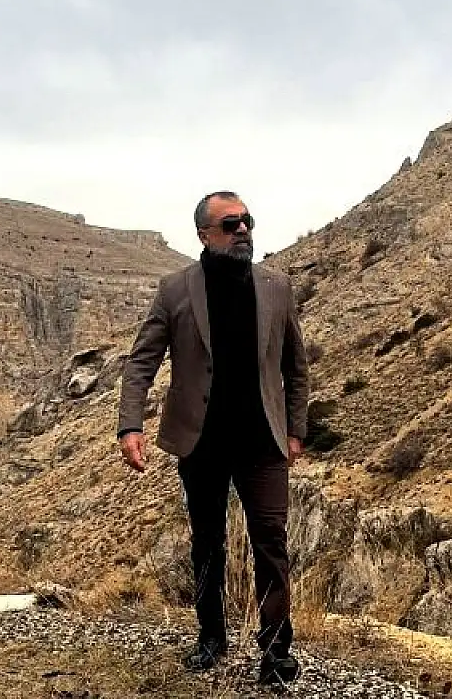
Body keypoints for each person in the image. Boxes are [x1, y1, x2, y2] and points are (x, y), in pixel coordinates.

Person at [116, 190, 309, 685]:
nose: (242, 230)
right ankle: (211, 638)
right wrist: (131, 424)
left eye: (247, 221)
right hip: (201, 441)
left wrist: (295, 429)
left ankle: (276, 650)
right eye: (230, 224)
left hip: (263, 440)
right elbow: (141, 362)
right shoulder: (175, 289)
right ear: (205, 235)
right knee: (207, 541)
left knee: (271, 541)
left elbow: (296, 366)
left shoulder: (276, 287)